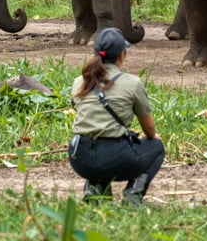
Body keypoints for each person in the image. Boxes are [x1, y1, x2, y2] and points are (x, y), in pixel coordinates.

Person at [68, 27, 165, 205]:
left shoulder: (79, 82)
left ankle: (96, 190)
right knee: (156, 146)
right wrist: (149, 137)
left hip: (80, 158)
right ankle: (133, 195)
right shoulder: (132, 83)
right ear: (122, 55)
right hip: (114, 158)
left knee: (100, 152)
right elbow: (149, 129)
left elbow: (84, 114)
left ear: (96, 53)